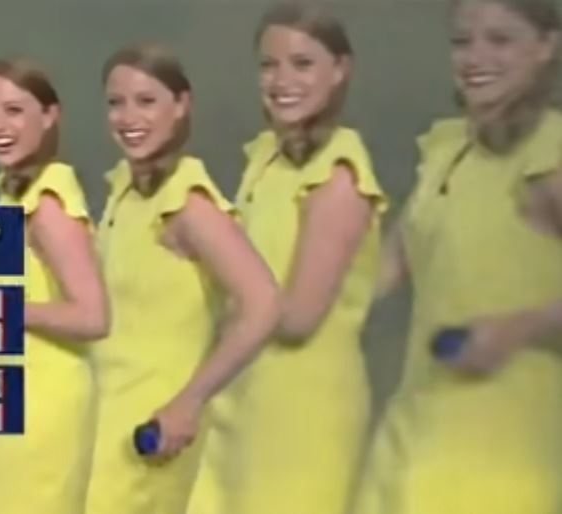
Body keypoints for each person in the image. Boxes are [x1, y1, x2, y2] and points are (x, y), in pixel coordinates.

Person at [352, 1, 562, 512]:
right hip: (413, 429)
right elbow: (378, 275)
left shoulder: (551, 154)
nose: (475, 57)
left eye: (500, 40)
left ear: (546, 47)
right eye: (462, 41)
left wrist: (518, 329)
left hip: (508, 443)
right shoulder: (446, 151)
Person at [187, 3, 387, 513]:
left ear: (339, 70)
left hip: (301, 411)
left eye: (302, 64)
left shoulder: (339, 177)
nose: (281, 81)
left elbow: (298, 318)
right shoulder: (266, 160)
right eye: (269, 65)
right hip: (237, 397)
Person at [84, 43, 280, 514]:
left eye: (146, 101)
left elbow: (263, 304)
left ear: (181, 105)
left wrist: (189, 402)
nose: (129, 117)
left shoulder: (189, 206)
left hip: (149, 432)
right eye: (117, 103)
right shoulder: (125, 196)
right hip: (97, 422)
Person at [0, 57, 108, 514]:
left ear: (50, 116)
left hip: (39, 406)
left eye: (14, 111)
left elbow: (93, 316)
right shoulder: (10, 197)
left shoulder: (49, 205)